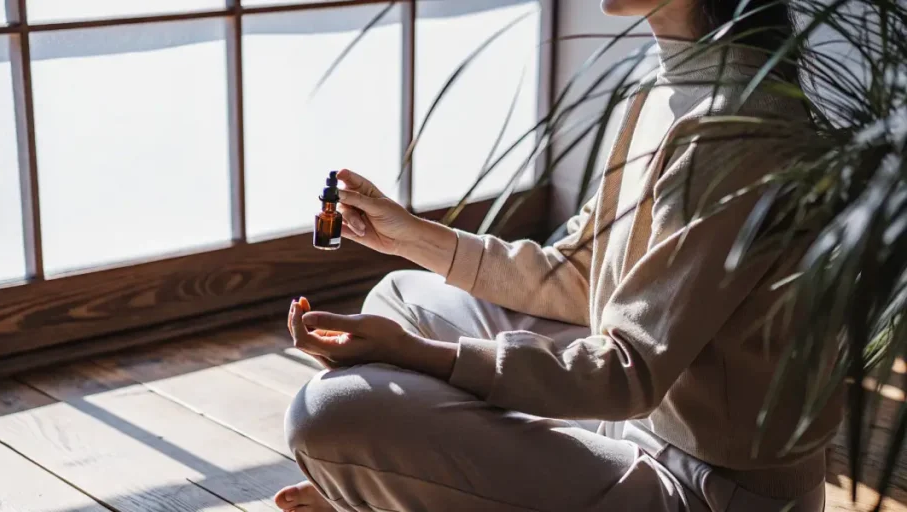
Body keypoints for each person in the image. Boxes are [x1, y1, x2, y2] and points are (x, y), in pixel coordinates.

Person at [273, 0, 839, 510]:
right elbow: (582, 274)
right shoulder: (666, 82)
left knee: (324, 413)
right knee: (403, 293)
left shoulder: (736, 129)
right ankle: (392, 484)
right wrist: (408, 236)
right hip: (644, 420)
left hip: (709, 485)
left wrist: (418, 355)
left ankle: (390, 484)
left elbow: (628, 372)